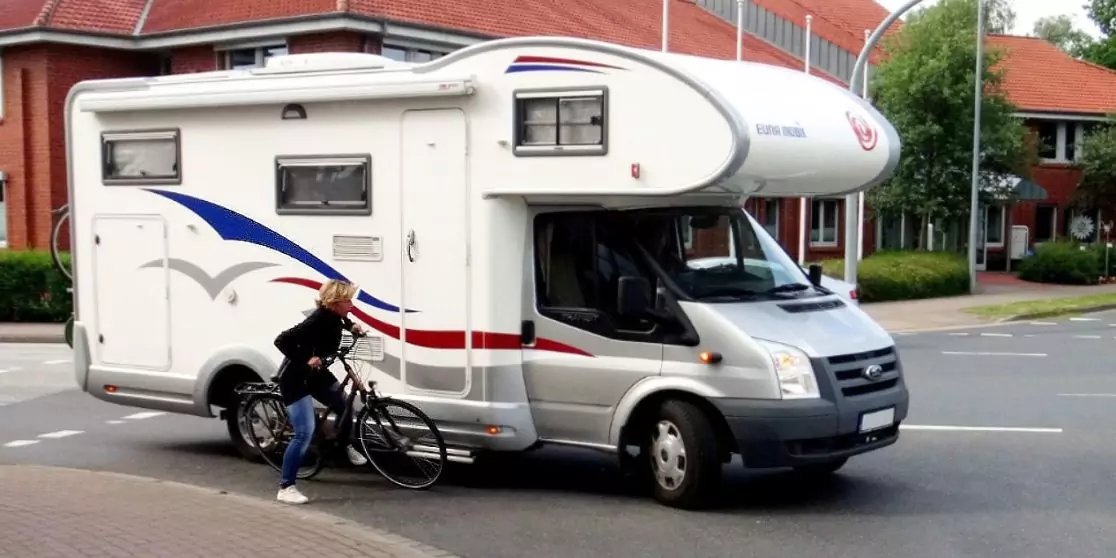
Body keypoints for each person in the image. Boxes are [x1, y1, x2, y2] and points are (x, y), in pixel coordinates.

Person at [273, 279, 369, 505]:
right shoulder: (317, 320)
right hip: (296, 378)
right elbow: (282, 340)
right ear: (335, 302)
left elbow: (341, 320)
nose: (351, 305)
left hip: (316, 375)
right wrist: (306, 358)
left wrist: (352, 326)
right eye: (348, 300)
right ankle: (286, 487)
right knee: (304, 433)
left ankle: (345, 444)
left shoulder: (335, 316)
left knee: (344, 406)